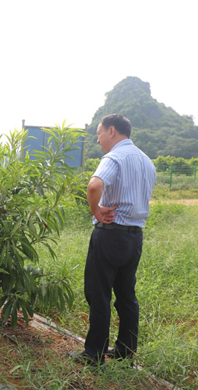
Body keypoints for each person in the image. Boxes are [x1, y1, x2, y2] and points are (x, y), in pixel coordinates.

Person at [69, 114, 156, 366]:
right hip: (134, 237)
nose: (97, 140)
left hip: (110, 235)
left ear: (111, 131)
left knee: (99, 295)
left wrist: (96, 211)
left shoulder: (114, 157)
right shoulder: (147, 161)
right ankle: (126, 351)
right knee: (126, 295)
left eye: (98, 134)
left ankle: (94, 354)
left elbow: (94, 185)